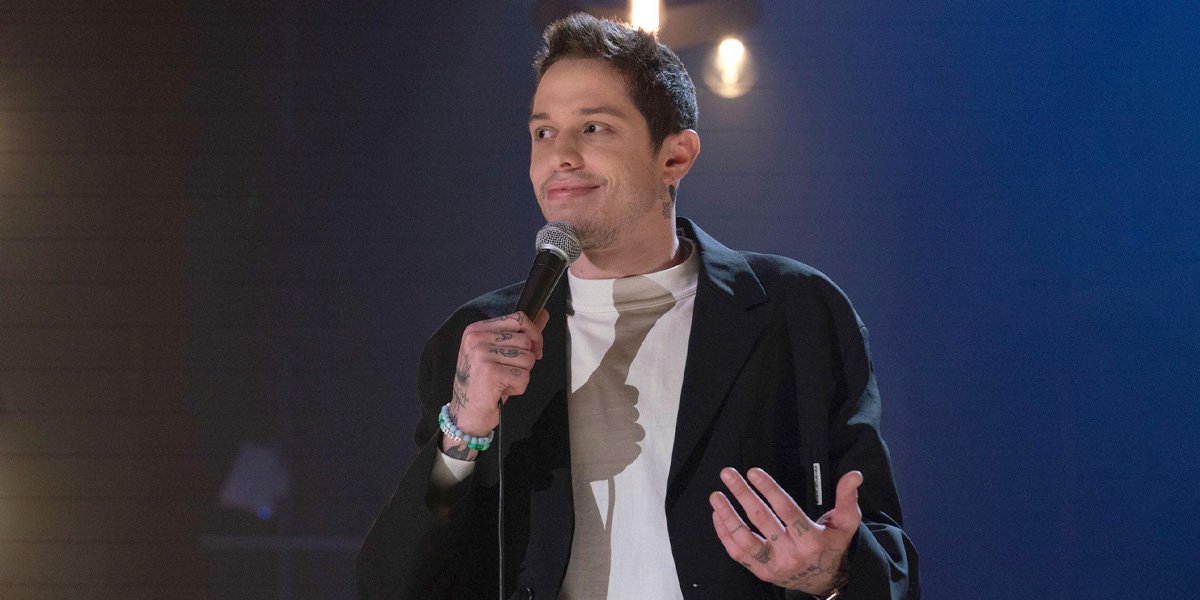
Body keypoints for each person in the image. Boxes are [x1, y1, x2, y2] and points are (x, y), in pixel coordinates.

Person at [358, 13, 918, 600]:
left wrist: (833, 574)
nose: (560, 156)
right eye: (543, 133)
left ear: (675, 157)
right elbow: (393, 585)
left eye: (594, 127)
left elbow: (891, 560)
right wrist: (462, 434)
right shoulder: (477, 339)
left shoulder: (797, 313)